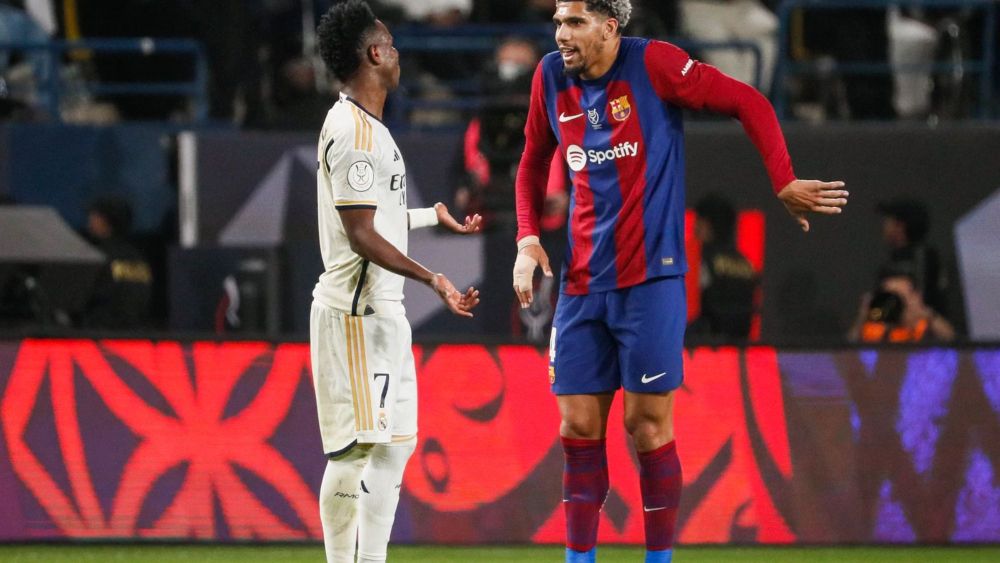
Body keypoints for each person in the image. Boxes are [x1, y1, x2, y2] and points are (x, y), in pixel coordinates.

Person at [511, 2, 848, 562]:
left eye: (574, 23)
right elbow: (531, 160)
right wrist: (527, 239)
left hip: (651, 281)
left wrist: (783, 178)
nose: (561, 34)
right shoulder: (549, 75)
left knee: (645, 426)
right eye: (558, 23)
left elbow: (748, 101)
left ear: (609, 27)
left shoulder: (656, 65)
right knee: (577, 427)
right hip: (581, 284)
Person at [310, 3, 482, 562]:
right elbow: (361, 234)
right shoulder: (354, 132)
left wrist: (431, 215)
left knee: (395, 447)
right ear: (374, 53)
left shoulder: (372, 129)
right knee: (355, 453)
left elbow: (374, 218)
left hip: (384, 311)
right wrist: (432, 277)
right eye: (391, 43)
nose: (398, 53)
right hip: (356, 314)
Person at [688, 193, 757, 341]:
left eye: (698, 222)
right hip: (740, 347)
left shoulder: (702, 259)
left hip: (708, 345)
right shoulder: (746, 265)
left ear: (707, 225)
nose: (695, 228)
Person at [81, 195, 152, 330]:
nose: (90, 221)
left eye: (94, 216)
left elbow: (80, 297)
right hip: (135, 334)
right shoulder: (137, 258)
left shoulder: (97, 256)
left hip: (99, 334)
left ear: (106, 221)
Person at [847, 261, 955, 343]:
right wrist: (863, 317)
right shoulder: (875, 328)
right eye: (890, 297)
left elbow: (953, 342)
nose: (896, 303)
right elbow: (848, 353)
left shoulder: (927, 325)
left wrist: (928, 315)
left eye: (902, 296)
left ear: (916, 296)